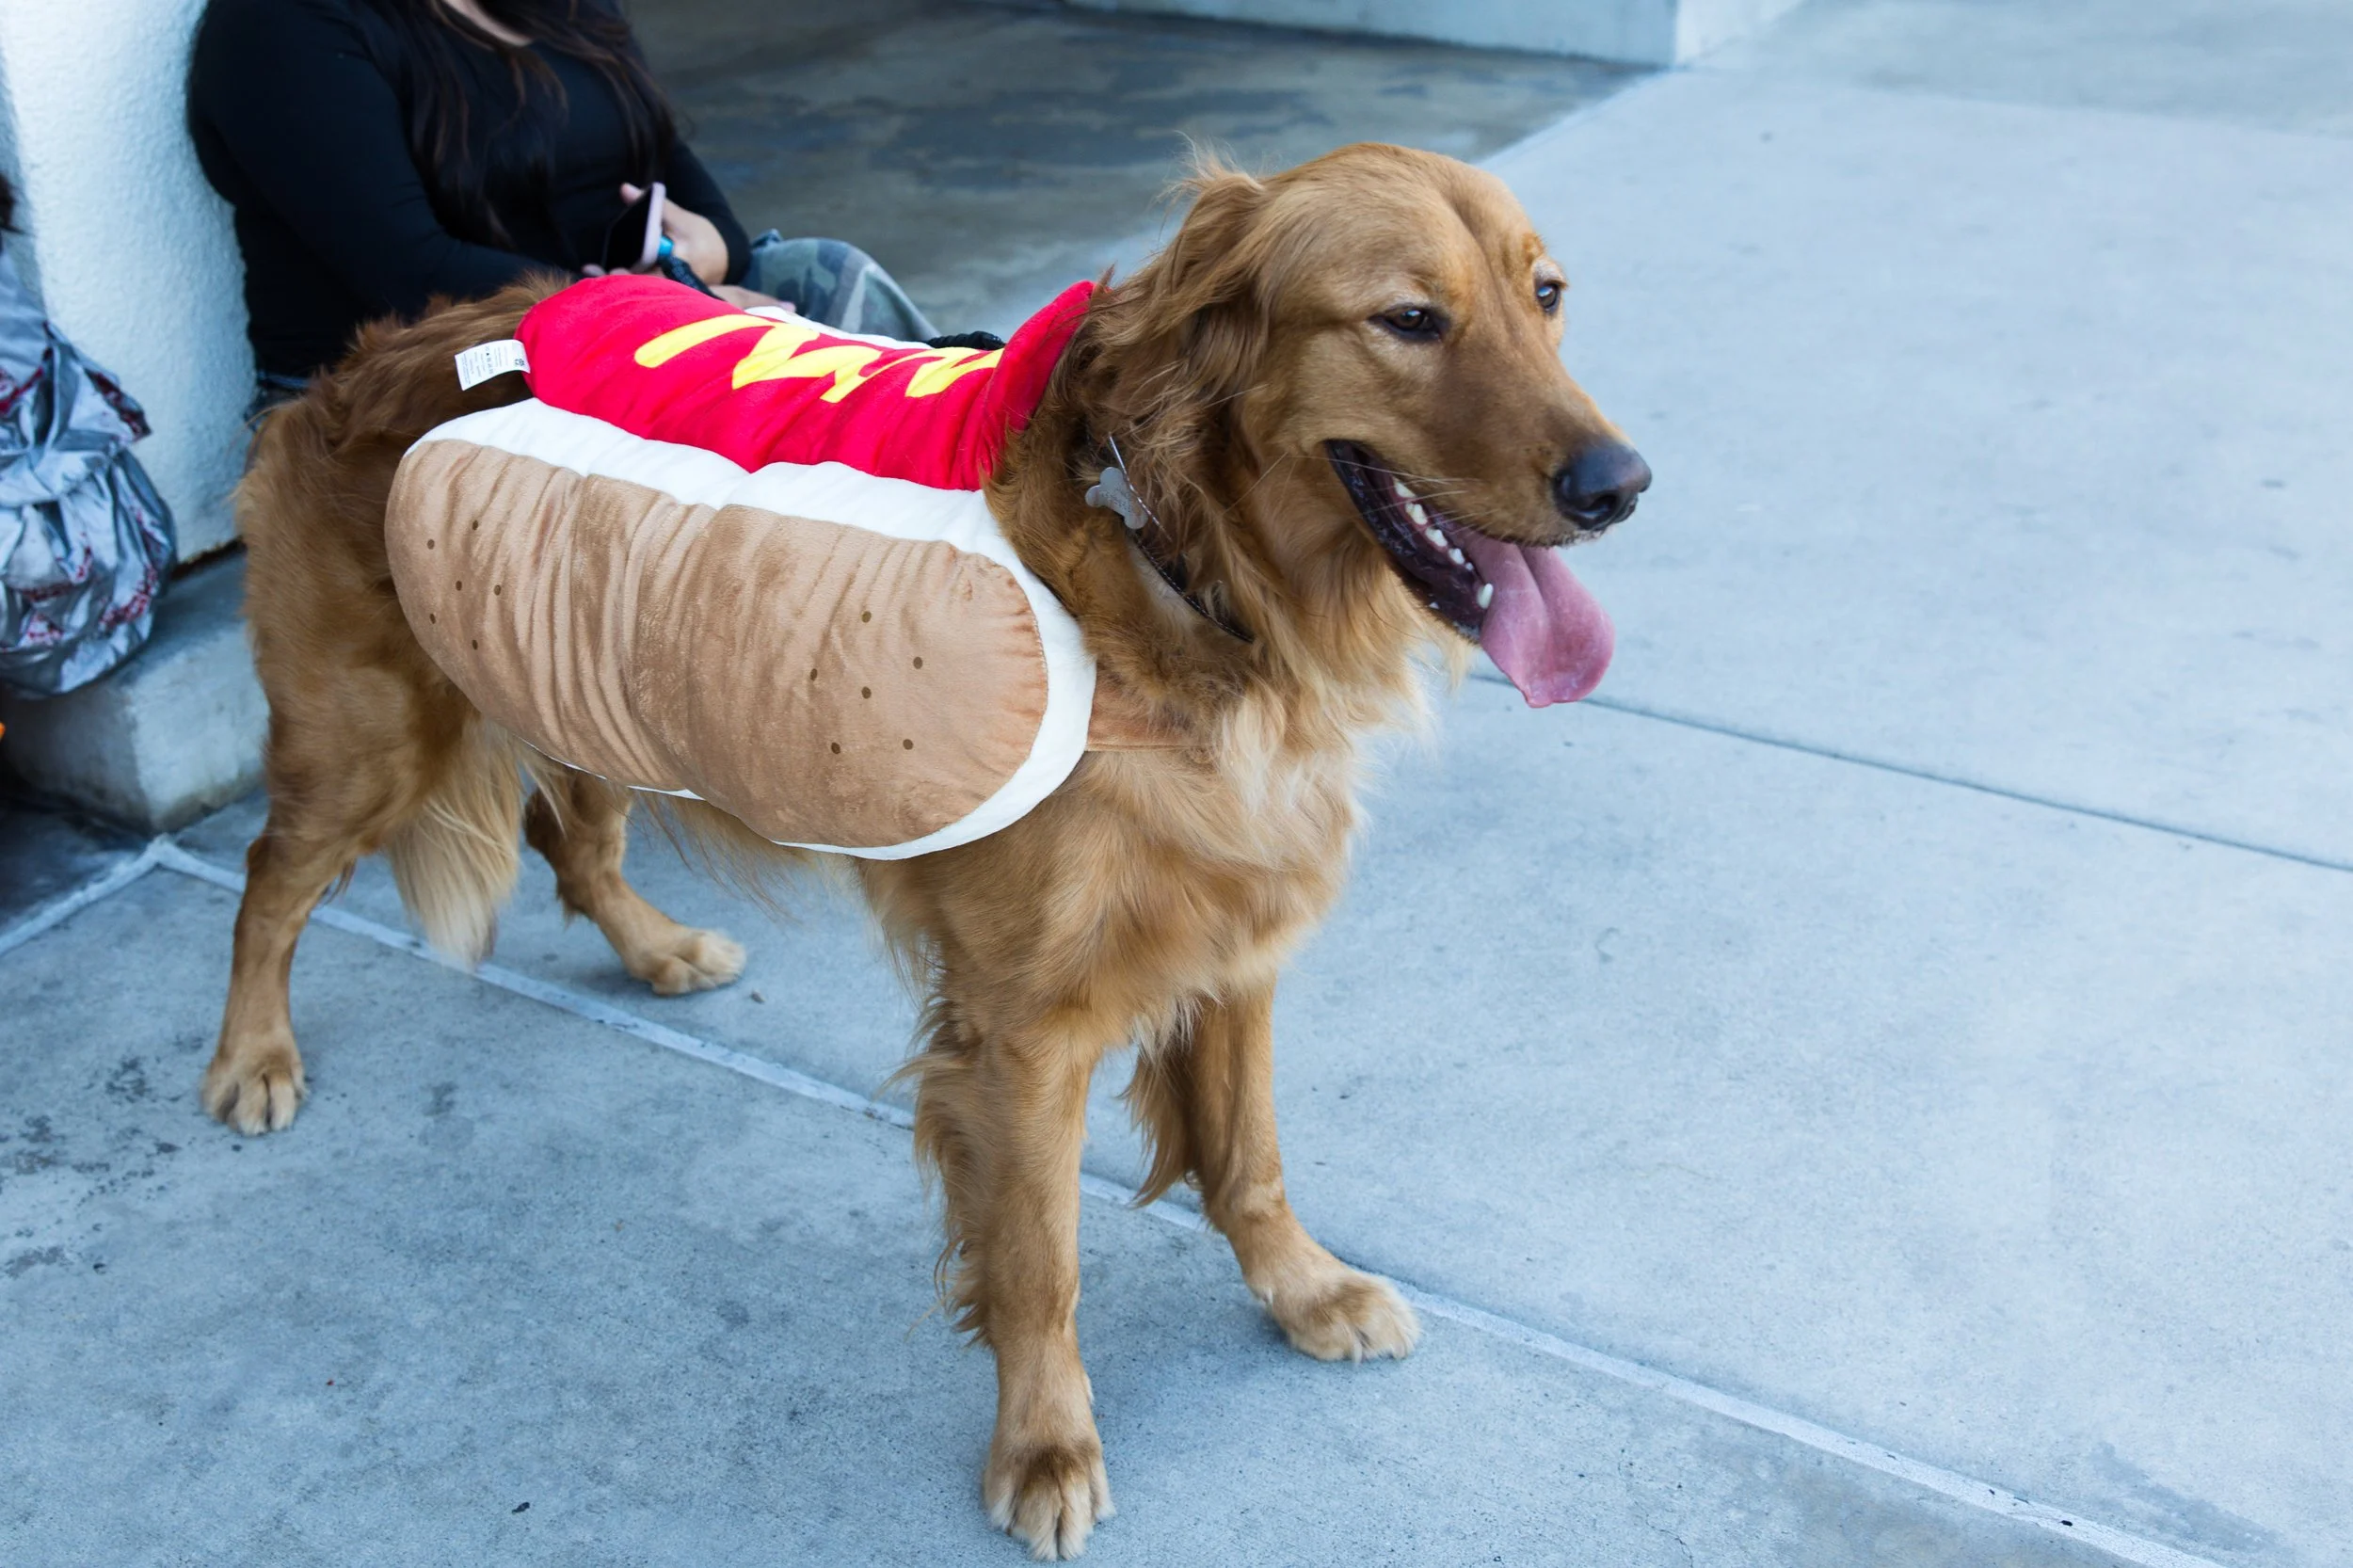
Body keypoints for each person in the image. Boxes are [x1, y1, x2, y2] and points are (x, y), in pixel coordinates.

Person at [187, 0, 936, 411]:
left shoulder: (561, 8)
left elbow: (672, 165)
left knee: (829, 278)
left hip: (626, 319)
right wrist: (671, 313)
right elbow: (411, 272)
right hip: (426, 381)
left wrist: (711, 258)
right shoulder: (279, 26)